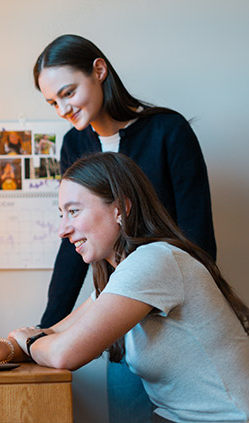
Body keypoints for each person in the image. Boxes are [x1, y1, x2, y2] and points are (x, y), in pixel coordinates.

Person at [0, 153, 249, 423]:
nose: (63, 229)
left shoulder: (153, 262)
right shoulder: (124, 276)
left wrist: (26, 340)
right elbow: (54, 333)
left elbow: (64, 353)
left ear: (120, 209)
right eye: (61, 214)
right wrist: (6, 347)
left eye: (73, 211)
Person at [33, 34, 217, 421]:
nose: (63, 108)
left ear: (99, 71)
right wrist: (47, 329)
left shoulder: (169, 130)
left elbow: (198, 237)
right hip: (116, 318)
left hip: (173, 314)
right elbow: (74, 245)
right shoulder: (73, 144)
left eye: (68, 92)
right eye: (53, 102)